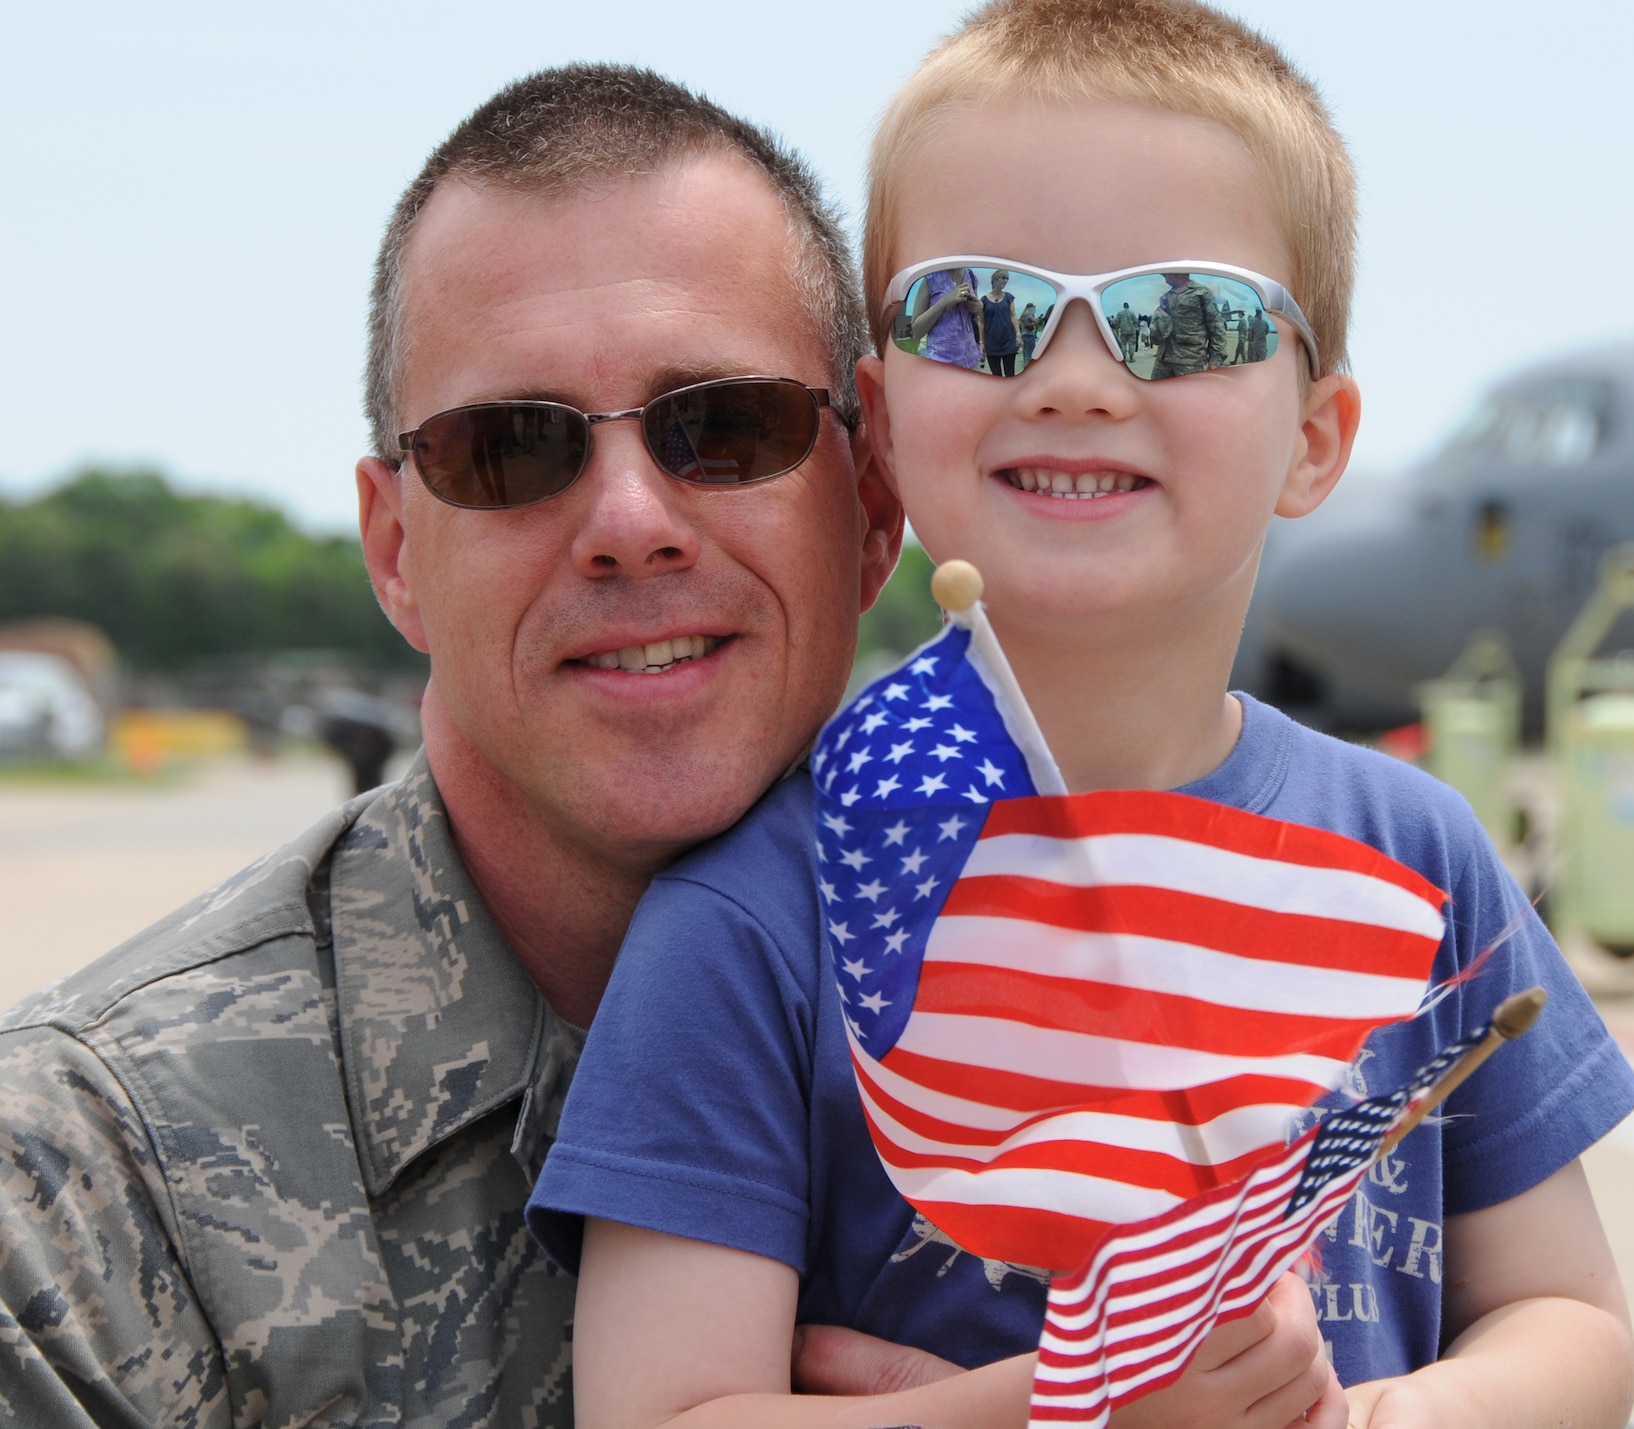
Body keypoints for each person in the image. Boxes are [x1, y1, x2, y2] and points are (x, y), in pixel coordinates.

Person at [531, 4, 1634, 1429]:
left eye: (1186, 320)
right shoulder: (766, 911)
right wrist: (1078, 1408)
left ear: (1315, 439)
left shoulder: (1417, 857)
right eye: (976, 312)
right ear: (877, 417)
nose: (1072, 378)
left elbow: (1574, 1322)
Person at [0, 64, 943, 1427]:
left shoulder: (1134, 1032)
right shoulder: (80, 1197)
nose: (631, 518)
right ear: (395, 553)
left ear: (872, 505)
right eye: (509, 449)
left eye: (723, 426)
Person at [1151, 269, 1228, 377]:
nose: (1166, 281)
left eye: (1166, 276)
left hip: (1190, 361)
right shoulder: (1166, 297)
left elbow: (1216, 326)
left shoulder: (1201, 293)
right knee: (1156, 392)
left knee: (1189, 393)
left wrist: (1215, 360)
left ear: (1178, 273)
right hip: (1163, 360)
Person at [908, 265, 984, 369]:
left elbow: (977, 316)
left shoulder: (971, 276)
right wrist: (945, 301)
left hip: (971, 361)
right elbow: (916, 331)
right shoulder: (931, 278)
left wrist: (978, 307)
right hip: (939, 363)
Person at [980, 267, 1021, 376]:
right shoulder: (984, 300)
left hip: (1008, 341)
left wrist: (1018, 334)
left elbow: (1013, 316)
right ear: (995, 280)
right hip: (992, 343)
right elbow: (981, 322)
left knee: (1010, 373)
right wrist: (981, 342)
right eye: (1003, 278)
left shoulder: (1008, 297)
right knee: (996, 375)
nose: (1005, 281)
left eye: (1007, 278)